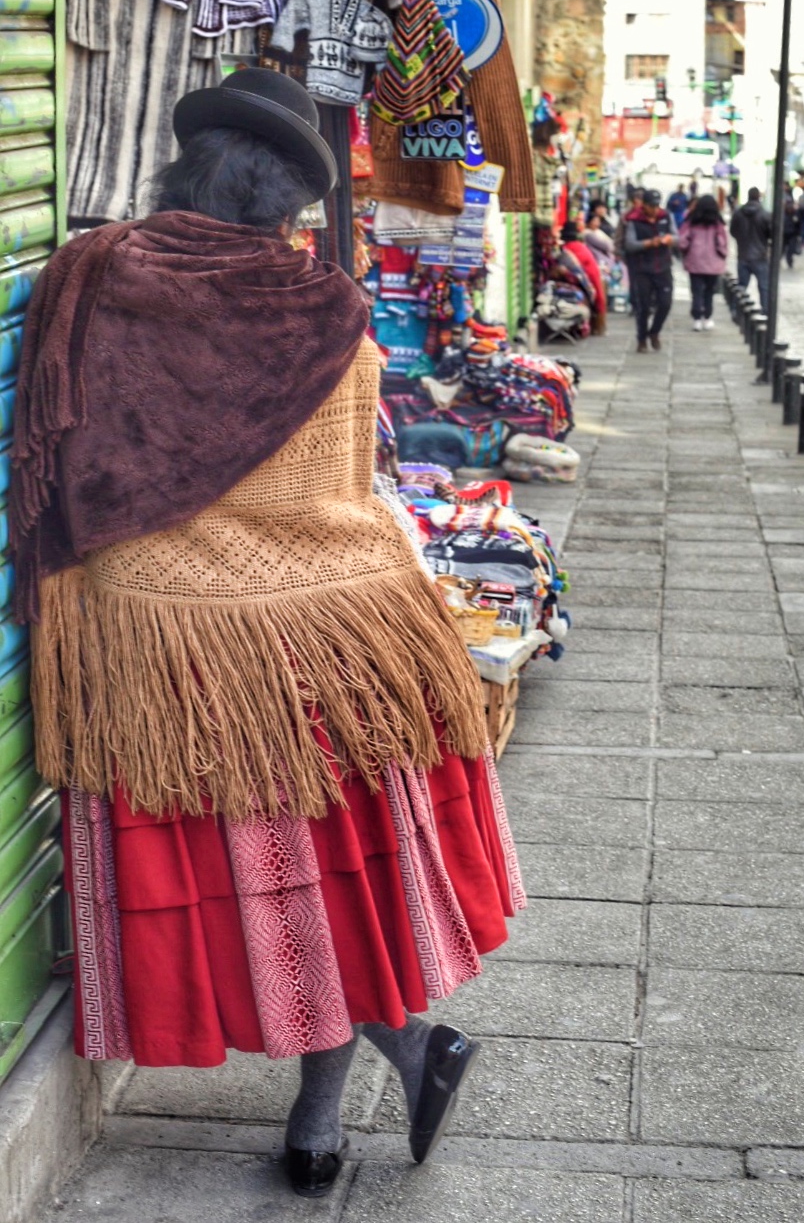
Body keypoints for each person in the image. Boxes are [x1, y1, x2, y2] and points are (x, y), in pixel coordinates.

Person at [12, 68, 524, 1199]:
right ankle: (337, 1103)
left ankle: (344, 1102)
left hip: (158, 649)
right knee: (334, 882)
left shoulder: (87, 276)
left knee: (259, 894)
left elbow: (58, 444)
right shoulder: (328, 311)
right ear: (290, 199)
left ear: (185, 169)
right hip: (323, 638)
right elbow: (339, 483)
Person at [623, 189, 676, 352]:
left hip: (663, 267)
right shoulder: (634, 221)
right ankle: (642, 339)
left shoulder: (666, 217)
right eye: (651, 206)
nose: (654, 209)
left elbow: (677, 237)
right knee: (643, 306)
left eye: (656, 206)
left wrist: (669, 239)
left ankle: (655, 331)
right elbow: (630, 244)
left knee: (665, 303)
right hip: (642, 268)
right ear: (644, 206)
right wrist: (648, 243)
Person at [678, 193, 728, 330]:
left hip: (695, 262)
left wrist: (685, 252)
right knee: (709, 292)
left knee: (696, 291)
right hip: (713, 263)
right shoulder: (718, 224)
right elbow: (722, 243)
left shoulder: (691, 222)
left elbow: (682, 241)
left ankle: (697, 319)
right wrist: (722, 254)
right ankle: (708, 317)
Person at [729, 186, 771, 312]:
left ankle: (735, 310)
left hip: (743, 254)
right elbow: (770, 233)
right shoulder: (765, 214)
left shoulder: (738, 213)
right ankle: (765, 311)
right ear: (758, 197)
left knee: (742, 286)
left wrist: (741, 240)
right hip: (760, 256)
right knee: (763, 287)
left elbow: (733, 231)